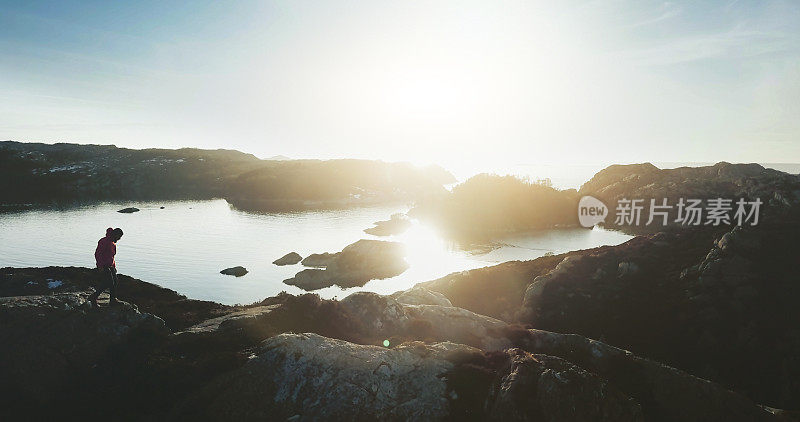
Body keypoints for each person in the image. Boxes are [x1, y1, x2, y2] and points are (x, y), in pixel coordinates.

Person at [89, 227, 123, 308]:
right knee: (108, 283)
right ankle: (93, 297)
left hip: (110, 266)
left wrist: (114, 267)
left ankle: (113, 300)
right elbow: (98, 254)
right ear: (115, 234)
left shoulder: (112, 243)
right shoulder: (104, 241)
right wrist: (100, 266)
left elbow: (111, 257)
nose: (119, 238)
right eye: (119, 236)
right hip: (104, 266)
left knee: (115, 282)